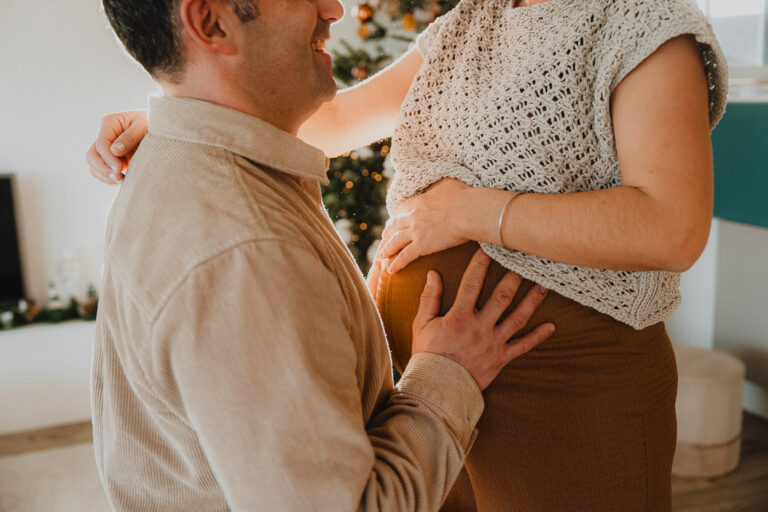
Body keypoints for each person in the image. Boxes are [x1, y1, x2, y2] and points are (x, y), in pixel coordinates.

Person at [88, 0, 728, 510]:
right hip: (431, 381)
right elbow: (329, 120)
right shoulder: (471, 23)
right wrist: (178, 119)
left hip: (562, 387)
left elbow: (672, 227)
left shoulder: (641, 27)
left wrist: (472, 211)